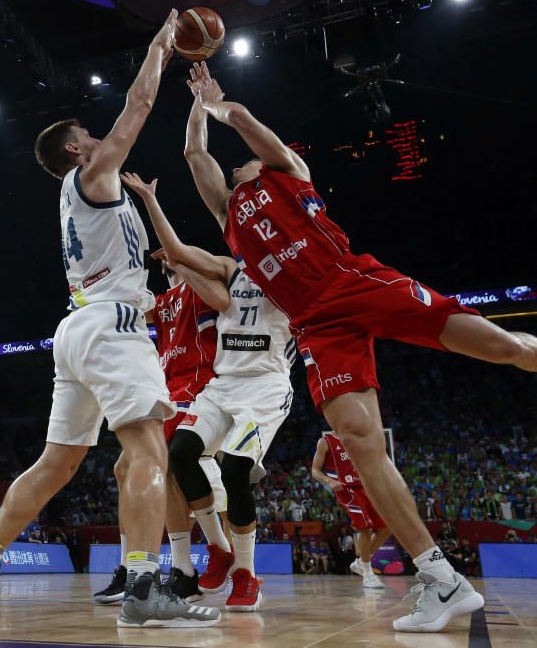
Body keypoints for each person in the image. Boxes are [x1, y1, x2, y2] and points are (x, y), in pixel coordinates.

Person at [178, 60, 537, 631]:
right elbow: (197, 158)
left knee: (498, 347)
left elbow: (244, 119)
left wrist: (219, 102)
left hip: (352, 280)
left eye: (242, 158)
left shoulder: (287, 170)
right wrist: (195, 107)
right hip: (315, 326)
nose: (237, 163)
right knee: (361, 440)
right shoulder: (227, 214)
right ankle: (441, 578)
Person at [0, 9, 220, 629]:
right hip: (111, 326)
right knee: (150, 449)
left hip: (78, 329)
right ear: (75, 149)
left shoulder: (93, 192)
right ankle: (146, 585)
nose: (101, 138)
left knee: (58, 462)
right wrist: (159, 47)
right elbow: (141, 103)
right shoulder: (90, 175)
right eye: (90, 134)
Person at [121, 172, 295, 612]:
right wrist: (148, 199)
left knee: (237, 471)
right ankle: (219, 551)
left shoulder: (297, 270)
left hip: (266, 386)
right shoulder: (231, 268)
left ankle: (246, 574)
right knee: (179, 454)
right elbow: (178, 254)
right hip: (224, 383)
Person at [97, 253, 225, 605]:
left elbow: (223, 287)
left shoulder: (201, 289)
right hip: (167, 388)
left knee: (162, 464)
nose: (168, 269)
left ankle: (188, 566)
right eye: (167, 267)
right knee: (124, 468)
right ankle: (132, 568)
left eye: (172, 265)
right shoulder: (165, 301)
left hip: (197, 384)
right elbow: (133, 308)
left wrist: (182, 258)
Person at [311, 432, 388, 588]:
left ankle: (361, 562)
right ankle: (368, 573)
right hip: (346, 490)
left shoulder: (356, 438)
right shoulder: (326, 441)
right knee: (365, 528)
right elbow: (315, 470)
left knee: (385, 528)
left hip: (365, 487)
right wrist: (329, 481)